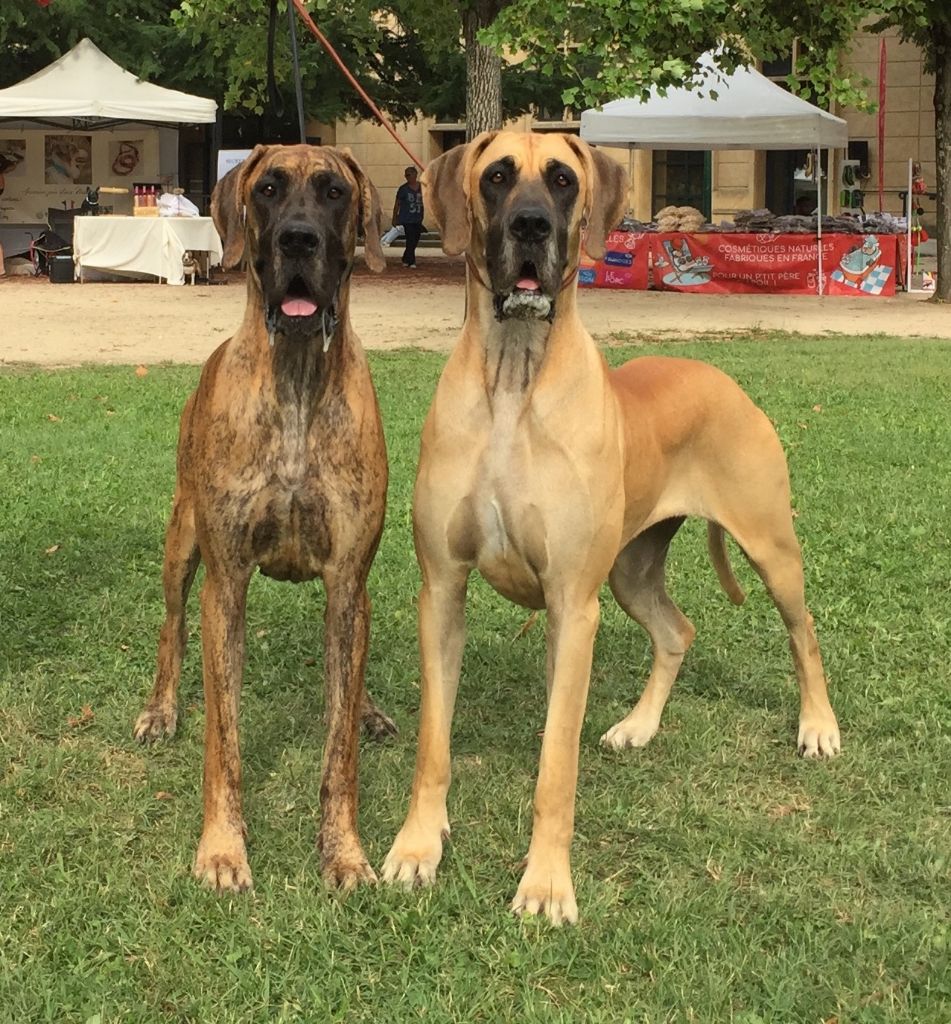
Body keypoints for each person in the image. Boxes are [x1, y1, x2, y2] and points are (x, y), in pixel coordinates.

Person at [392, 166, 424, 268]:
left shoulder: (422, 188)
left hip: (418, 218)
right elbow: (397, 204)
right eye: (406, 175)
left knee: (415, 239)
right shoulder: (403, 189)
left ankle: (406, 257)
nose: (407, 177)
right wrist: (395, 217)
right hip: (407, 218)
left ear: (415, 174)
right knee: (410, 239)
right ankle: (412, 261)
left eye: (409, 175)